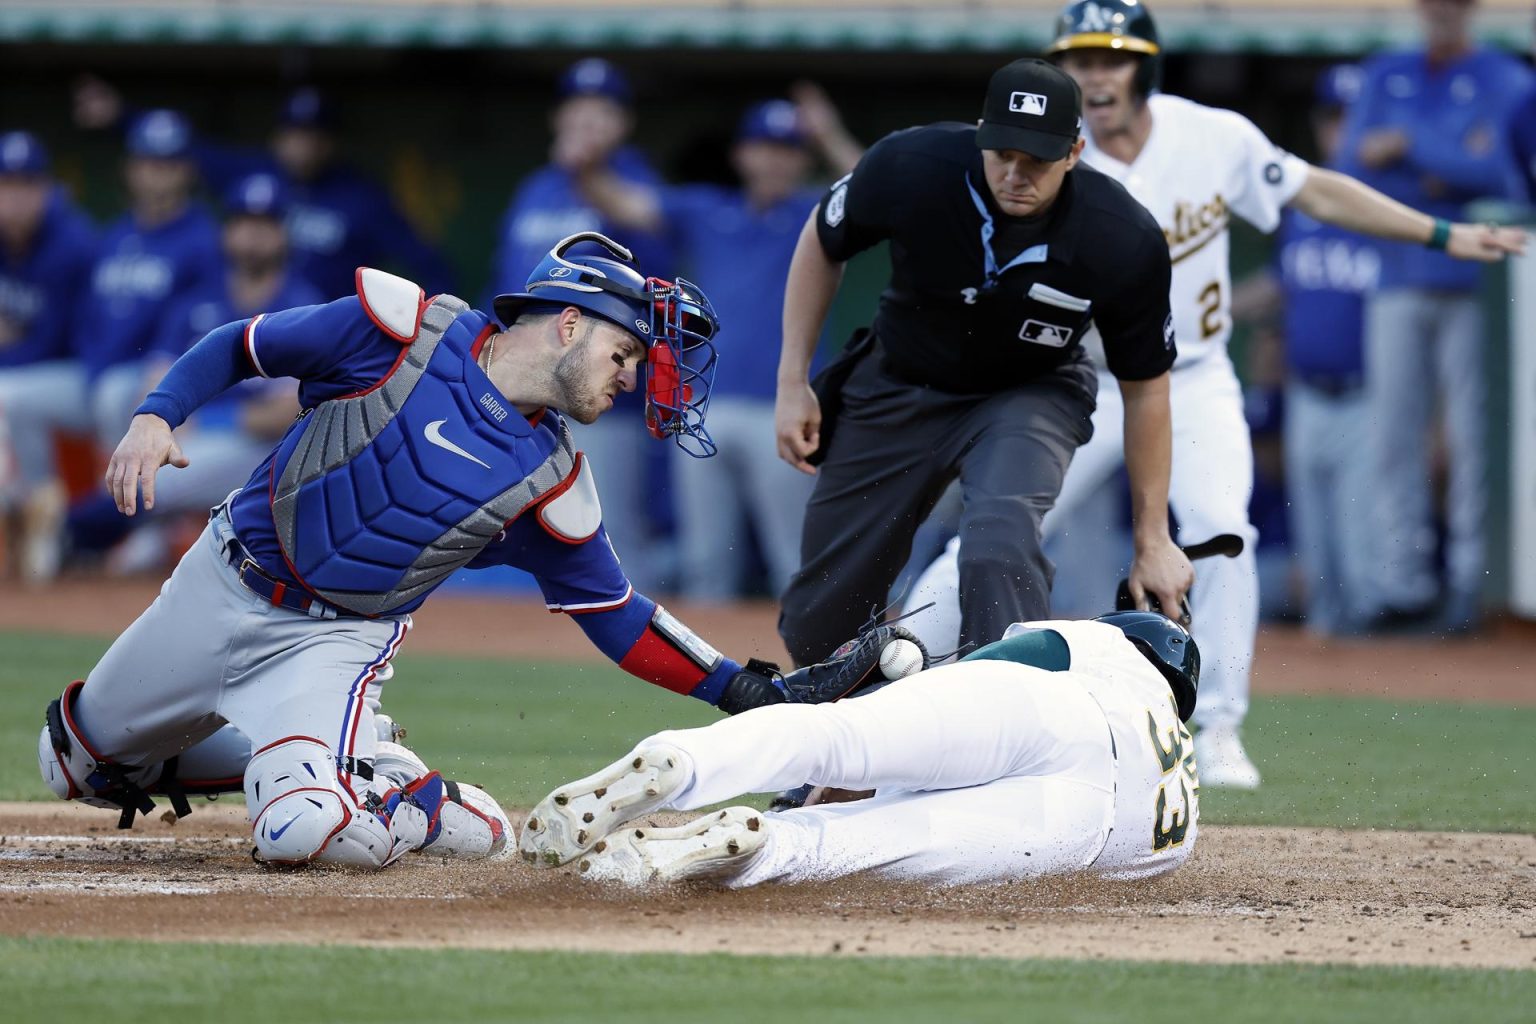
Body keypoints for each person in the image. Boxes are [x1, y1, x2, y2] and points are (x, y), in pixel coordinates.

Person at [903, 0, 1525, 788]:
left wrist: (1440, 232)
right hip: (1072, 385)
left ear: (1145, 67)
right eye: (1082, 59)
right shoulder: (1039, 162)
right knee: (990, 537)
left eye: (1114, 57)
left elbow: (1318, 191)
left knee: (1223, 534)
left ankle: (1218, 727)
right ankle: (898, 681)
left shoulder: (1212, 136)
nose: (1098, 73)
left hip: (1191, 378)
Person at [34, 232, 801, 869]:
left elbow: (619, 616)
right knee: (73, 763)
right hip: (219, 578)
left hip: (332, 639)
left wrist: (741, 689)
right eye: (626, 355)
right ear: (570, 325)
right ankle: (361, 757)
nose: (630, 380)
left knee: (309, 832)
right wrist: (155, 415)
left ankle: (422, 806)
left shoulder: (552, 480)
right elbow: (245, 345)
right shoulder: (401, 328)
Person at [774, 57, 1194, 677]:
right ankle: (856, 746)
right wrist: (792, 380)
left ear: (1076, 151)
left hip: (1030, 392)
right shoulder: (911, 166)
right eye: (1003, 153)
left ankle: (1001, 731)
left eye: (1038, 160)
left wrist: (1152, 537)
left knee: (998, 544)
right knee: (821, 611)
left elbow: (1146, 389)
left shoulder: (1121, 236)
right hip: (898, 381)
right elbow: (823, 239)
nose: (1017, 174)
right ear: (980, 135)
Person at [519, 611, 1200, 887]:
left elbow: (1001, 664)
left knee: (835, 738)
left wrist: (892, 718)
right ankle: (761, 846)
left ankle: (685, 762)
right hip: (1098, 833)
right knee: (847, 851)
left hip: (1061, 713)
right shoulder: (1183, 797)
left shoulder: (1112, 651)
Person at [571, 92, 860, 599]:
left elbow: (876, 188)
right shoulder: (707, 208)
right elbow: (625, 203)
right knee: (706, 566)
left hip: (784, 410)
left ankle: (803, 671)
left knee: (793, 561)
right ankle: (714, 678)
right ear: (742, 154)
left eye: (788, 148)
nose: (774, 158)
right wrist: (588, 161)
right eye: (764, 146)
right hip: (703, 408)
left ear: (802, 158)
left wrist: (828, 134)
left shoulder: (814, 213)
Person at [1338, 0, 1532, 634]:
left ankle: (1475, 588)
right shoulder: (1386, 71)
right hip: (1396, 274)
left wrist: (1411, 145)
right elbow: (1351, 171)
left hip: (1481, 280)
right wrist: (1450, 159)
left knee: (1475, 438)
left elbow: (1503, 178)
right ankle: (1405, 586)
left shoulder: (1507, 78)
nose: (1442, 10)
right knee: (1393, 435)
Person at [64, 172, 320, 573]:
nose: (252, 235)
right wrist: (163, 424)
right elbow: (158, 377)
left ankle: (69, 531)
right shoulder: (198, 299)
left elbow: (289, 413)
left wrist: (208, 421)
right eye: (243, 222)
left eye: (265, 225)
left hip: (263, 452)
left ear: (282, 235)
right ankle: (138, 531)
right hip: (192, 438)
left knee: (161, 477)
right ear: (228, 230)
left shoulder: (301, 307)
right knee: (138, 429)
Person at [4, 111, 220, 580]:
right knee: (16, 397)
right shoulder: (117, 234)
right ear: (131, 168)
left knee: (113, 395)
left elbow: (198, 319)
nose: (156, 172)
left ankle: (125, 523)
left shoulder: (202, 239)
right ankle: (46, 516)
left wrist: (166, 365)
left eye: (168, 162)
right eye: (148, 161)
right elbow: (85, 317)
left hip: (153, 383)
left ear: (185, 169)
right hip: (97, 375)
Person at [486, 58, 675, 592]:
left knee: (611, 533)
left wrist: (590, 177)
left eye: (602, 111)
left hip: (599, 399)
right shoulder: (537, 189)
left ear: (623, 124)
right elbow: (506, 279)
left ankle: (628, 650)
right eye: (578, 108)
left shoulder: (636, 185)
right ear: (559, 116)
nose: (587, 120)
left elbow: (655, 278)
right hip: (524, 394)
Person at [1232, 65, 1381, 636]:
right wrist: (1211, 305)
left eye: (1352, 118)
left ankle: (1386, 665)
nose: (1341, 130)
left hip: (1369, 396)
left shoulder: (1388, 208)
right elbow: (1279, 283)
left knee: (1362, 543)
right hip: (1307, 394)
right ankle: (1330, 668)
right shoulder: (1305, 211)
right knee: (1317, 542)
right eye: (1333, 118)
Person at [73, 80, 455, 299]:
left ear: (332, 142)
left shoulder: (362, 198)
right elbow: (185, 148)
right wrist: (121, 118)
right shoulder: (258, 172)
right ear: (278, 135)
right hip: (253, 316)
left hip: (328, 324)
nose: (302, 144)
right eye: (294, 133)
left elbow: (426, 262)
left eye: (314, 135)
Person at [0, 131, 98, 580]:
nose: (14, 198)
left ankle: (39, 510)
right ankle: (31, 511)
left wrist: (12, 342)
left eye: (25, 186)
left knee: (12, 394)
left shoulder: (72, 244)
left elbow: (52, 343)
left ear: (45, 190)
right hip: (28, 370)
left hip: (80, 372)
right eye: (6, 185)